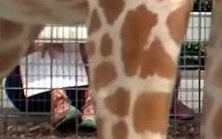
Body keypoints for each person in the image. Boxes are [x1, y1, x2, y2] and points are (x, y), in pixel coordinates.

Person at [4, 42, 196, 132]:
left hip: (90, 89)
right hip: (32, 89)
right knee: (51, 33)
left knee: (90, 36)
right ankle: (59, 99)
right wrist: (37, 42)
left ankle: (91, 102)